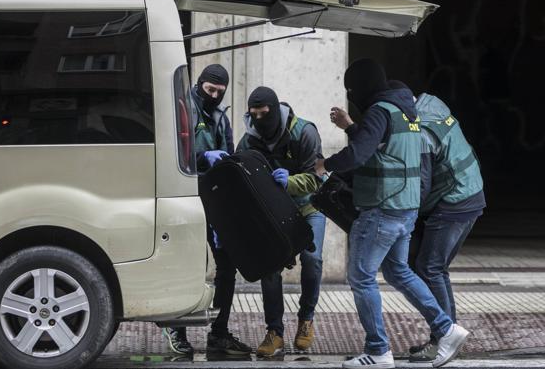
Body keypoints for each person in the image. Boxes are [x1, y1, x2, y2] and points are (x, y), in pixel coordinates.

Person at [315, 59, 469, 369]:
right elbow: (382, 149)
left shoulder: (378, 111)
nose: (351, 95)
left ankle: (378, 350)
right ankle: (446, 328)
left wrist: (324, 166)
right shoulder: (406, 114)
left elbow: (359, 153)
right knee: (399, 272)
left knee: (360, 276)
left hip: (381, 209)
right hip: (405, 209)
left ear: (362, 86)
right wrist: (351, 126)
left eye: (351, 89)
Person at [386, 81, 486, 362]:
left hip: (456, 199)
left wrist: (400, 217)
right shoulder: (432, 103)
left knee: (430, 268)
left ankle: (444, 338)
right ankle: (445, 335)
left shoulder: (421, 132)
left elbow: (420, 187)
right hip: (469, 190)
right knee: (434, 268)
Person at [163, 64, 252, 356]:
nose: (213, 95)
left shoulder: (220, 116)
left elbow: (227, 155)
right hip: (188, 198)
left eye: (219, 91)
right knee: (188, 266)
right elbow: (176, 151)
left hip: (216, 200)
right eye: (209, 89)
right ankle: (177, 328)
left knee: (227, 267)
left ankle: (219, 333)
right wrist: (204, 157)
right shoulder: (182, 109)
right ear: (199, 84)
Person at [236, 86, 326, 357]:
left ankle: (306, 319)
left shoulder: (304, 132)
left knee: (313, 260)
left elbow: (317, 177)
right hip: (273, 214)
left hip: (308, 207)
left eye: (265, 114)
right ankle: (274, 331)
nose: (259, 120)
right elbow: (240, 175)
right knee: (270, 267)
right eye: (254, 115)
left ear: (274, 111)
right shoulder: (249, 139)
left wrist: (290, 182)